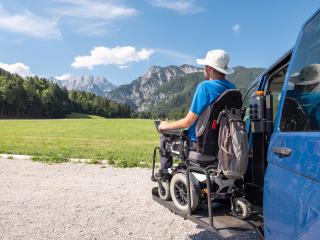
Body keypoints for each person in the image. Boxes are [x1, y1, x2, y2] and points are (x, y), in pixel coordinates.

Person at [157, 49, 237, 177]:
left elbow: (188, 122)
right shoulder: (232, 88)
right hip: (222, 143)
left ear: (209, 68)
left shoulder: (205, 87)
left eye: (204, 66)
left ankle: (165, 177)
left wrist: (163, 126)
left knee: (165, 138)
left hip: (198, 143)